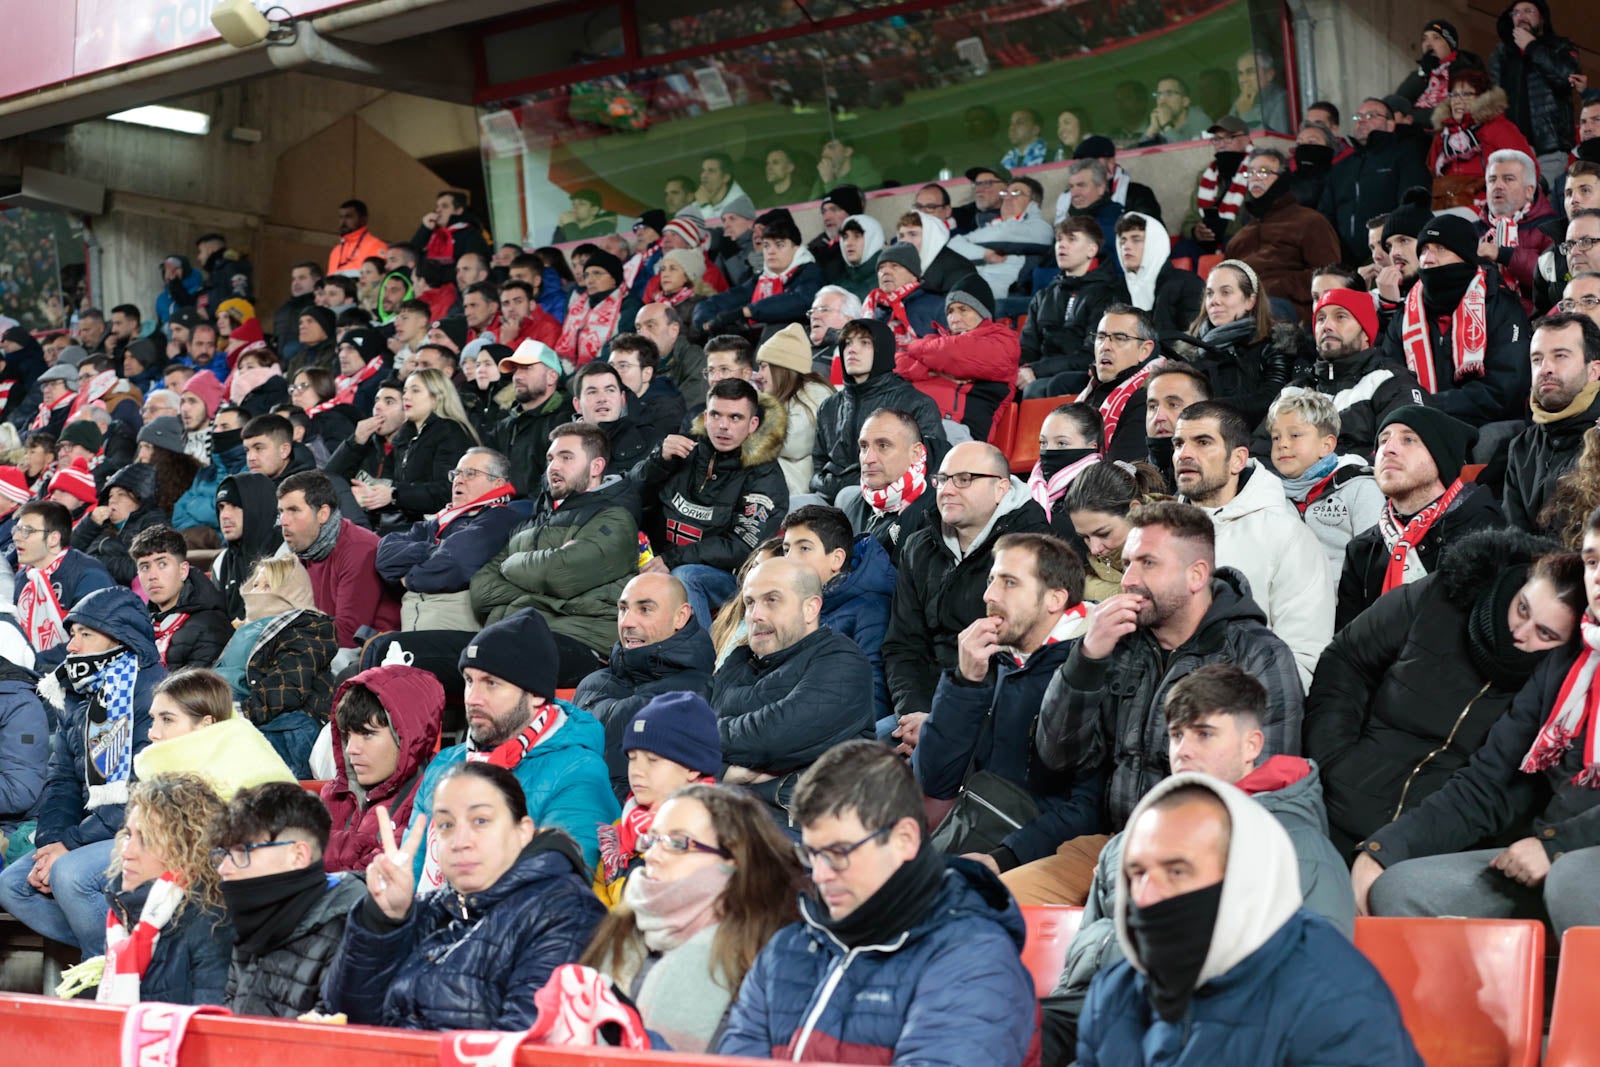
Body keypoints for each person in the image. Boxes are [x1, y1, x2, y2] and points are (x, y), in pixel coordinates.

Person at [1041, 666, 1359, 1064]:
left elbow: (1310, 992)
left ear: (1251, 746)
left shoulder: (1298, 848)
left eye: (1204, 734)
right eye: (1177, 735)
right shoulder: (1129, 843)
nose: (1183, 750)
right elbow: (1077, 977)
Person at [1008, 503, 1302, 907]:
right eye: (1127, 562)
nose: (1128, 579)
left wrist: (1158, 859)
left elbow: (1267, 792)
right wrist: (1086, 660)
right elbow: (1056, 757)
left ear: (1196, 575)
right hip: (1113, 843)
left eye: (1148, 563)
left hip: (1209, 858)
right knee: (998, 906)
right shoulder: (1117, 642)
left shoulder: (1257, 656)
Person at [1351, 509, 1600, 935]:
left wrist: (1558, 846)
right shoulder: (1565, 664)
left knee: (1573, 881)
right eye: (1593, 561)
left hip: (1570, 859)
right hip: (1552, 854)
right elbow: (1489, 782)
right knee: (1399, 889)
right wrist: (1383, 849)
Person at [718, 739, 1037, 1066]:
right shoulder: (789, 945)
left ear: (905, 840)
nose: (821, 875)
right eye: (812, 854)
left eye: (839, 853)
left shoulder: (974, 960)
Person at [1073, 774, 1420, 1066]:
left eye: (1176, 871)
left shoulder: (1334, 997)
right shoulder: (1114, 993)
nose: (1145, 897)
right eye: (1136, 873)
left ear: (1242, 875)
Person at [1309, 530, 1582, 854]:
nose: (1519, 633)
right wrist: (1332, 760)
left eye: (1545, 633)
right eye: (1522, 609)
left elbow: (1507, 788)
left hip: (1437, 846)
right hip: (1333, 807)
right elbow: (1347, 658)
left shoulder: (1561, 688)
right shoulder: (1444, 595)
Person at [324, 761, 607, 1030]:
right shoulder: (431, 908)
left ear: (523, 832)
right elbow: (343, 1016)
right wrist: (382, 920)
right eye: (446, 825)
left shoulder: (566, 911)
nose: (460, 842)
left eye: (480, 821)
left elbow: (523, 1044)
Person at [915, 531, 1098, 870]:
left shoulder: (1093, 667)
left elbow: (1089, 807)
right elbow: (934, 778)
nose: (989, 595)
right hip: (976, 823)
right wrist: (964, 681)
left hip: (1036, 852)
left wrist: (1004, 858)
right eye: (991, 580)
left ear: (1054, 599)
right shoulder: (989, 657)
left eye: (1009, 583)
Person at [0, 586, 164, 954]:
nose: (71, 647)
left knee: (69, 874)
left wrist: (69, 846)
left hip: (147, 826)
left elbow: (139, 794)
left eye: (85, 635)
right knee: (12, 884)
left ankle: (105, 974)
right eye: (72, 634)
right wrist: (50, 843)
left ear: (120, 637)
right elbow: (62, 781)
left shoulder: (154, 693)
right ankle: (118, 954)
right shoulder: (78, 692)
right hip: (96, 828)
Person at [584, 781, 804, 1053]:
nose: (652, 856)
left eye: (677, 843)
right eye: (651, 840)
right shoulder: (621, 928)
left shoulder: (767, 952)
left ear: (733, 858)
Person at [408, 609, 618, 876]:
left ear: (535, 695)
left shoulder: (577, 772)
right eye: (469, 681)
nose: (472, 698)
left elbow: (561, 890)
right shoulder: (446, 764)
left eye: (491, 683)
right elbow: (411, 873)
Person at [882, 442, 1051, 739]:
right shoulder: (918, 547)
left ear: (1000, 489)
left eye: (964, 479)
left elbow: (1022, 660)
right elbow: (903, 645)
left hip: (988, 713)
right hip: (922, 709)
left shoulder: (1033, 548)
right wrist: (914, 713)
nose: (947, 490)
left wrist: (944, 719)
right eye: (943, 479)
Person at [1173, 401, 1335, 686]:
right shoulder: (1156, 533)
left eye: (1202, 442)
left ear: (1237, 460)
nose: (1184, 454)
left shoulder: (1287, 535)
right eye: (1178, 444)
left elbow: (1302, 659)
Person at [470, 423, 641, 686]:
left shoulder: (614, 518)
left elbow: (559, 573)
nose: (554, 467)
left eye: (566, 457)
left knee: (483, 660)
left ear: (596, 467)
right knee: (398, 649)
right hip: (515, 633)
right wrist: (540, 585)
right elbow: (482, 589)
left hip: (580, 642)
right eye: (551, 458)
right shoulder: (533, 522)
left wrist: (513, 565)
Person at [711, 557, 874, 812]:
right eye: (750, 603)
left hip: (807, 825)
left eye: (772, 600)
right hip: (731, 812)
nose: (755, 616)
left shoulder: (843, 661)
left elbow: (774, 735)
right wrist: (727, 771)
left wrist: (704, 738)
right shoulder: (738, 659)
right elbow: (682, 732)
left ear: (810, 608)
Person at [635, 379, 788, 630]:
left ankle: (696, 662)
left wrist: (672, 560)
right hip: (660, 558)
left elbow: (741, 547)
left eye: (735, 417)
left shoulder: (764, 476)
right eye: (716, 415)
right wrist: (656, 461)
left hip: (728, 577)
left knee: (685, 577)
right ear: (705, 417)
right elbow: (630, 496)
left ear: (753, 424)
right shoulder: (683, 450)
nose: (723, 426)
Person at [1337, 405, 1505, 628]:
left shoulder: (1486, 532)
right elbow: (1346, 649)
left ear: (1441, 456)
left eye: (1409, 440)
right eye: (1383, 440)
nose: (1388, 449)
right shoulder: (1361, 550)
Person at [215, 781, 369, 1017]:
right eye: (225, 854)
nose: (224, 868)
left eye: (243, 851)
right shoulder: (255, 918)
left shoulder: (351, 932)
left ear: (298, 856)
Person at [84, 774, 232, 1005]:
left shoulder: (213, 924)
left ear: (190, 851)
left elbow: (213, 1031)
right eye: (129, 835)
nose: (127, 851)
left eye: (148, 840)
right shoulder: (124, 913)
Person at [574, 573, 716, 798]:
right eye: (623, 609)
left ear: (680, 617)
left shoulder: (698, 694)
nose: (627, 622)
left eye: (645, 610)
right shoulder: (593, 683)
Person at [371, 445, 519, 639]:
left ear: (497, 483)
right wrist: (439, 548)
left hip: (456, 630)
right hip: (415, 625)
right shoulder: (440, 520)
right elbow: (385, 555)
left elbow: (457, 564)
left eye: (470, 473)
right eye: (456, 474)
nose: (459, 479)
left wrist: (410, 578)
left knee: (376, 650)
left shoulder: (500, 518)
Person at [211, 557, 338, 779]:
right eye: (256, 585)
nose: (257, 592)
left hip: (282, 731)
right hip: (237, 724)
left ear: (290, 591)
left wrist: (228, 715)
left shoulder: (309, 627)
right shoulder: (245, 629)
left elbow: (286, 689)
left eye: (268, 586)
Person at [1269, 288, 1424, 463]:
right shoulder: (1293, 391)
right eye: (1321, 319)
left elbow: (1400, 455)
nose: (1327, 326)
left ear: (1366, 333)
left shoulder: (1391, 381)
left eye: (1340, 317)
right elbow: (1261, 451)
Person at [320, 665, 444, 873]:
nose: (351, 749)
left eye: (367, 734)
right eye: (348, 735)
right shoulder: (335, 794)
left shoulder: (434, 794)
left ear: (407, 738)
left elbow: (379, 876)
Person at [781, 504, 895, 725]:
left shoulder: (872, 609)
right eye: (786, 549)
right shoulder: (793, 604)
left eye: (804, 548)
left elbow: (874, 698)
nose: (790, 559)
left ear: (836, 559)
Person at [810, 319, 946, 505]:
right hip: (832, 494)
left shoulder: (916, 403)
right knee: (796, 504)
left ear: (882, 350)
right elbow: (819, 461)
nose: (852, 349)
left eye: (865, 343)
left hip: (890, 498)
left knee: (847, 497)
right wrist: (822, 483)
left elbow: (928, 463)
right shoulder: (829, 406)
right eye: (847, 343)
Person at [277, 470, 401, 649]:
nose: (284, 521)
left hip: (369, 652)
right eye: (281, 511)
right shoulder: (303, 549)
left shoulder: (359, 549)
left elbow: (350, 633)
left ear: (323, 514)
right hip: (324, 643)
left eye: (293, 510)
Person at [1266, 389, 1386, 570]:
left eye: (1295, 435)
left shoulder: (1360, 488)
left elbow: (1374, 562)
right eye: (1276, 437)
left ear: (1326, 445)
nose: (1282, 444)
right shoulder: (1268, 495)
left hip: (1345, 596)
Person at [1174, 260, 1298, 428]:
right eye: (1210, 293)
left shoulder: (1275, 342)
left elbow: (1272, 398)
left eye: (1225, 292)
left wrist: (1209, 409)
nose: (1214, 301)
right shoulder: (1190, 349)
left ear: (1250, 301)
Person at [1224, 147, 1342, 323]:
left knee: (1263, 313)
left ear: (1282, 178)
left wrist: (1278, 286)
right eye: (1250, 173)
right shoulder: (1240, 237)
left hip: (1290, 309)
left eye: (1263, 172)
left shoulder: (1309, 221)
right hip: (1244, 307)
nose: (1255, 177)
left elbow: (1331, 275)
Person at [1505, 313, 1600, 533]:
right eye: (1537, 359)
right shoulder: (1521, 447)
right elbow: (1515, 540)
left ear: (1594, 370)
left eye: (1560, 356)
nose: (1545, 368)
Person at [1322, 97, 1435, 264]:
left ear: (1390, 124)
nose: (1362, 121)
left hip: (1390, 256)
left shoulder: (1405, 157)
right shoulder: (1341, 168)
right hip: (1344, 261)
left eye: (1371, 116)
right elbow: (1326, 215)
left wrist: (1390, 247)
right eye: (1358, 117)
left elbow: (1412, 207)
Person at [1019, 217, 1123, 398]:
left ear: (1092, 249)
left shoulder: (1107, 293)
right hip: (1040, 371)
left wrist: (1036, 371)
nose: (1062, 245)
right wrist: (1017, 370)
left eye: (1071, 239)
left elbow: (1092, 354)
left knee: (1036, 389)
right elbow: (1027, 347)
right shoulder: (1043, 296)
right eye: (1059, 240)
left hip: (1081, 374)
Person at [1488, 0, 1580, 179]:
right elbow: (1491, 99)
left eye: (1528, 11)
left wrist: (1532, 46)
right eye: (1515, 13)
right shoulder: (1502, 54)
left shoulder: (1559, 47)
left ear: (1542, 18)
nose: (1521, 16)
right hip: (1512, 147)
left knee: (1544, 200)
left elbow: (1567, 77)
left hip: (1549, 147)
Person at [695, 210, 823, 335]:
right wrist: (706, 322)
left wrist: (747, 311)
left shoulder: (810, 272)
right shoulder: (761, 279)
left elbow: (801, 301)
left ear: (796, 249)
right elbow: (721, 300)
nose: (770, 251)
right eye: (766, 245)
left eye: (779, 245)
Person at [1064, 458, 1171, 601]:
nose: (1094, 549)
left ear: (1135, 510)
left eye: (1104, 534)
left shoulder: (1181, 544)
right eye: (1086, 537)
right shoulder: (1090, 571)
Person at [841, 408, 936, 567]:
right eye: (864, 446)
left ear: (916, 453)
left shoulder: (936, 512)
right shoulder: (853, 505)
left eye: (883, 445)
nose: (868, 459)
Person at [130, 525, 231, 671]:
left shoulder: (211, 626)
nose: (152, 576)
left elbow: (195, 692)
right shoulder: (141, 623)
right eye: (145, 567)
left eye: (162, 564)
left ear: (183, 570)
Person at [1065, 306, 1159, 460]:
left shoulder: (1148, 397)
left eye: (1120, 338)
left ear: (1145, 350)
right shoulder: (1091, 391)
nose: (1105, 347)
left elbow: (1122, 469)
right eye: (1101, 337)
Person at [753, 324, 834, 498]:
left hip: (799, 494)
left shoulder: (815, 392)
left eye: (763, 366)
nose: (758, 375)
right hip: (778, 490)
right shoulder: (784, 396)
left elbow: (793, 444)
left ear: (781, 367)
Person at [1428, 67, 1537, 190]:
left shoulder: (1498, 128)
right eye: (1454, 95)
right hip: (1450, 202)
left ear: (1481, 98)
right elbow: (1431, 174)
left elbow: (1527, 169)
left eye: (1466, 94)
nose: (1457, 100)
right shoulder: (1443, 134)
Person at [71, 463, 168, 586]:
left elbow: (142, 567)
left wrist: (94, 562)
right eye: (110, 496)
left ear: (139, 498)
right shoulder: (102, 525)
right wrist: (90, 523)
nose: (112, 500)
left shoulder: (154, 522)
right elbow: (66, 551)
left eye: (121, 494)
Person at [1113, 213, 1204, 337]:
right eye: (1122, 241)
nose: (1126, 247)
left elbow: (1191, 341)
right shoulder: (1115, 290)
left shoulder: (1189, 284)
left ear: (1155, 243)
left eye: (1136, 240)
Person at [211, 472, 280, 621]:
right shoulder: (221, 563)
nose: (224, 515)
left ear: (257, 506)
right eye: (221, 507)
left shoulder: (286, 554)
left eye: (235, 506)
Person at [1394, 19, 1484, 126]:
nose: (1428, 44)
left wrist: (1411, 117)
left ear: (1450, 44)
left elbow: (1453, 113)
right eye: (1424, 39)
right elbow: (1396, 105)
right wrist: (1423, 74)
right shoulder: (1420, 73)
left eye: (1436, 38)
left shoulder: (1466, 73)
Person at [863, 243, 947, 349]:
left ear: (913, 275)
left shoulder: (939, 305)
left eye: (894, 266)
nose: (885, 271)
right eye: (881, 268)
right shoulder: (873, 309)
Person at [634, 302, 708, 411]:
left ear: (673, 330)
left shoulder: (695, 359)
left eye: (650, 326)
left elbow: (684, 410)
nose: (642, 335)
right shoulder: (633, 363)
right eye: (639, 328)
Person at [1142, 74, 1212, 143]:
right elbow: (1138, 152)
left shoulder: (1200, 120)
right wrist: (1151, 129)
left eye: (1169, 93)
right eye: (1159, 94)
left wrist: (1167, 126)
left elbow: (1190, 152)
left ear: (1185, 102)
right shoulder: (1158, 125)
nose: (1162, 100)